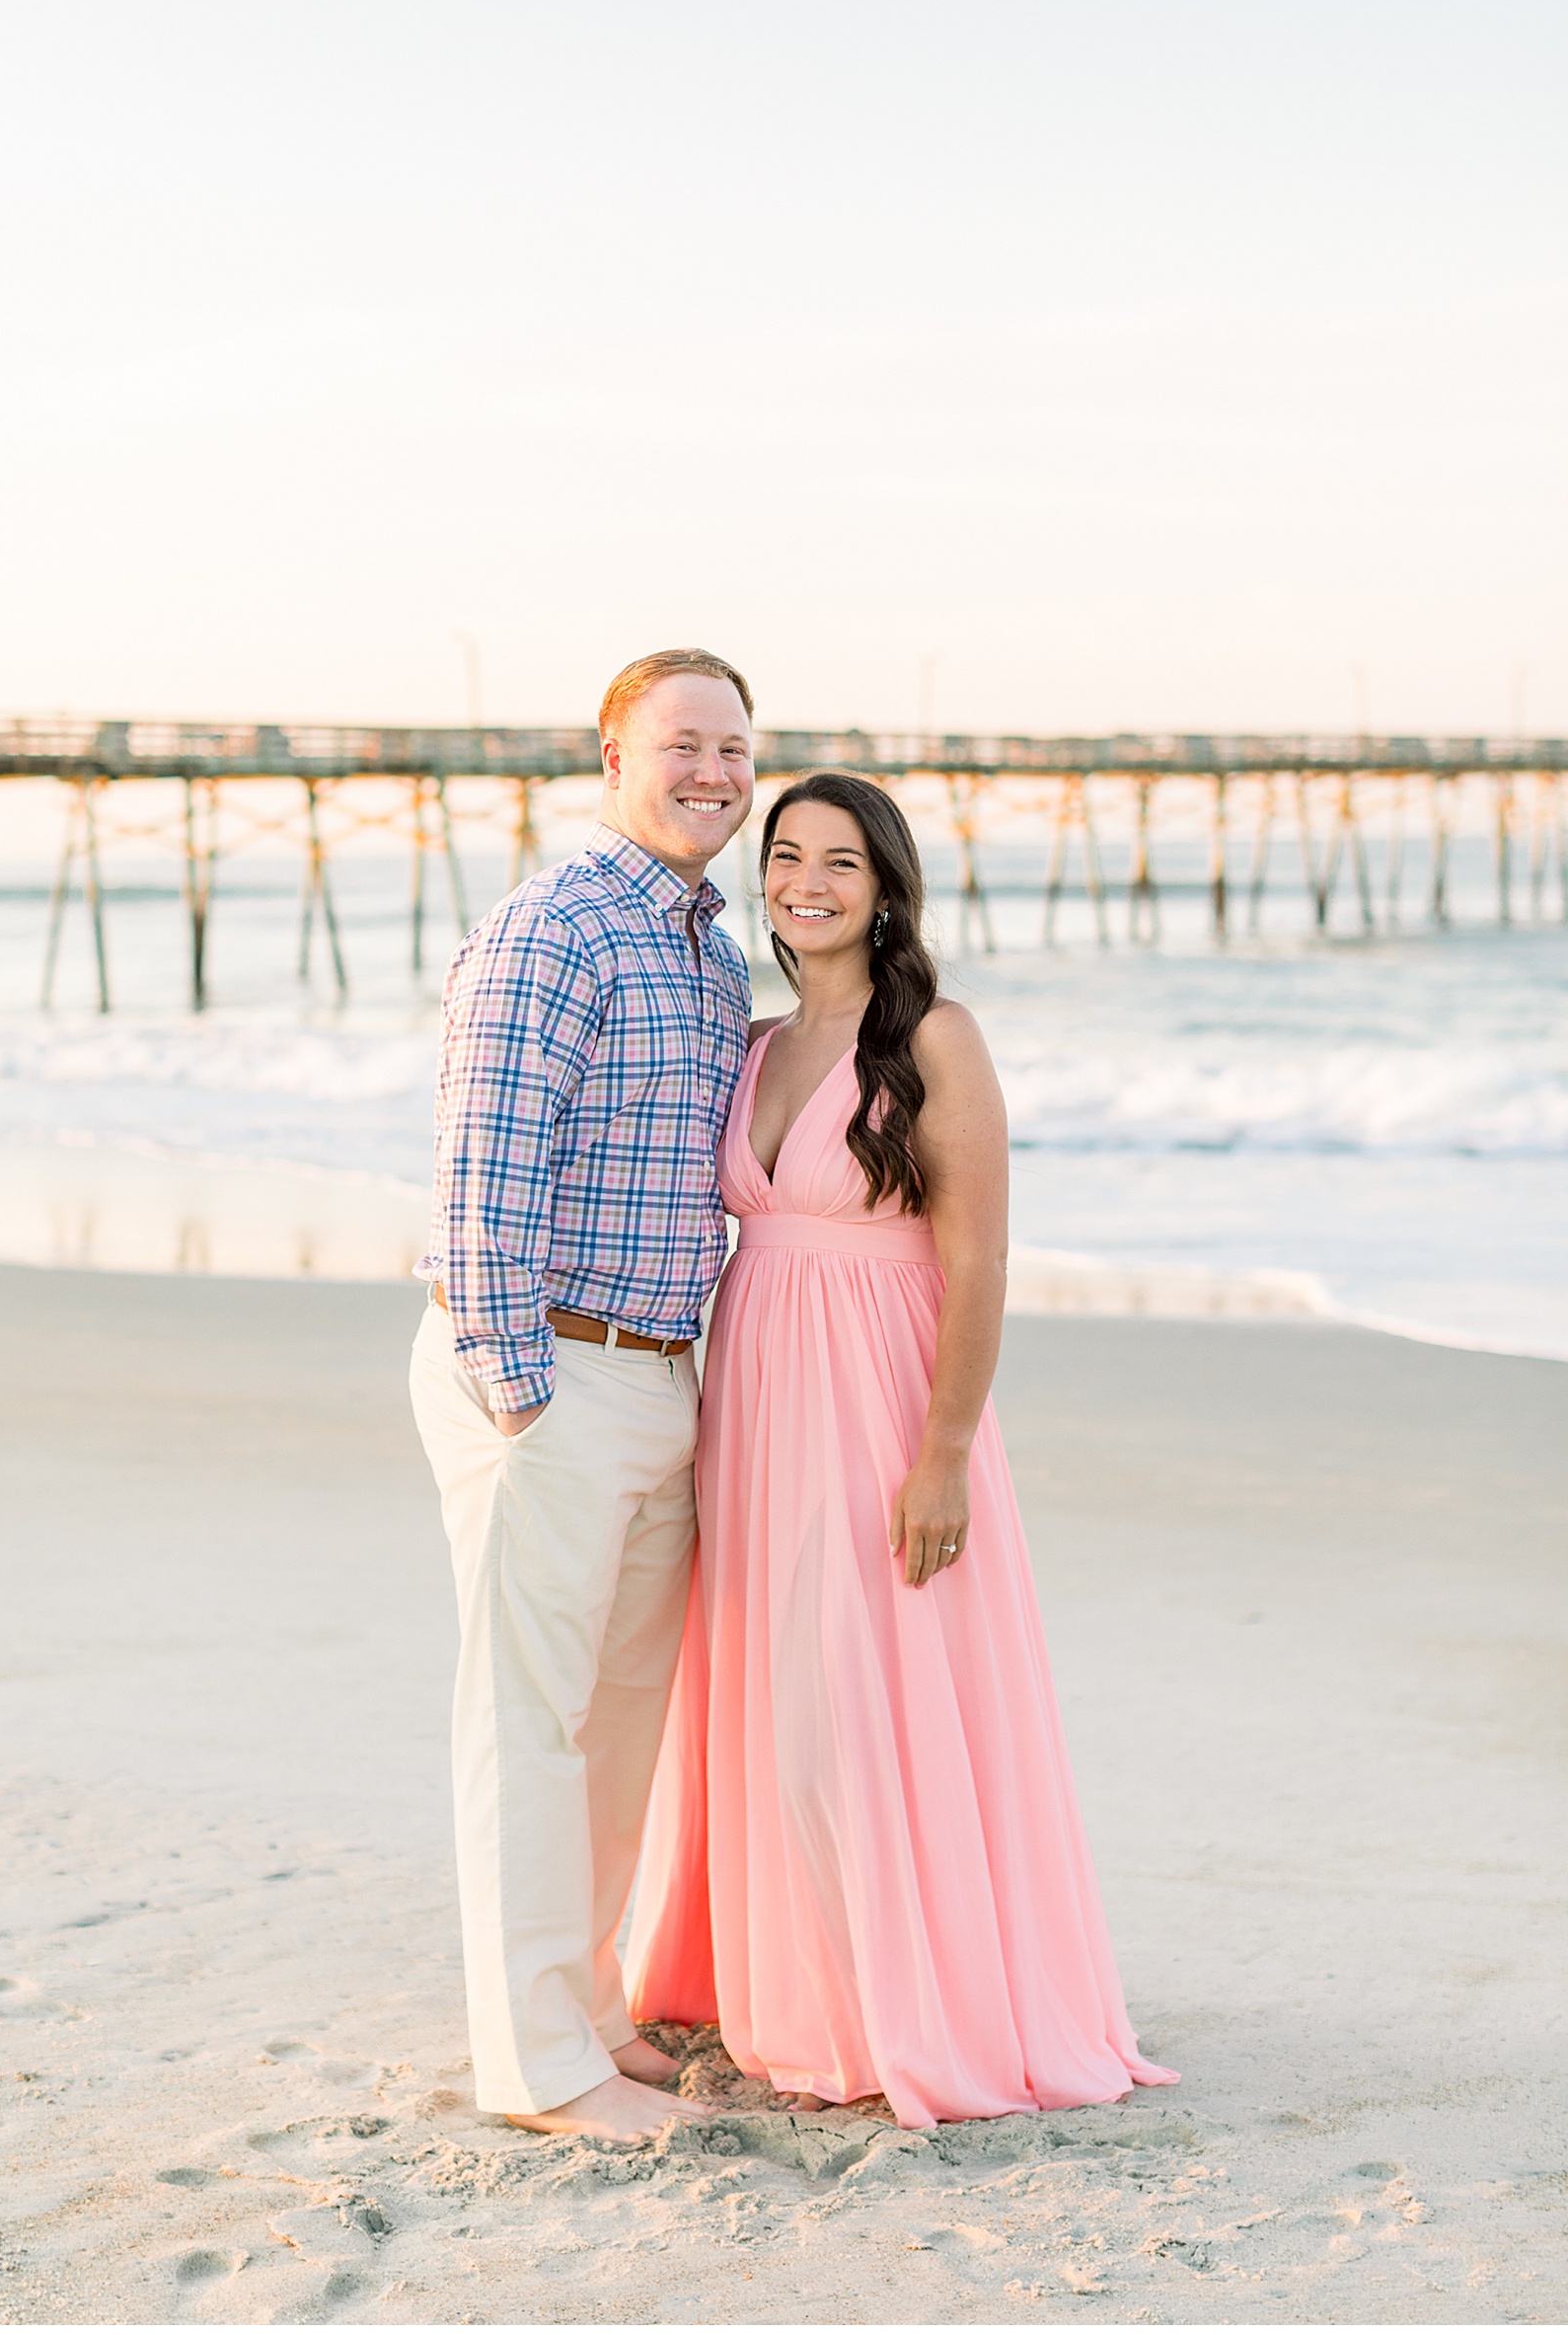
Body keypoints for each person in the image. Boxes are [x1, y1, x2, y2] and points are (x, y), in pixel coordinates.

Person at [626, 772, 1177, 2129]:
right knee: (769, 1694)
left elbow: (980, 1260)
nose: (806, 881)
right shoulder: (747, 1042)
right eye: (786, 856)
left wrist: (943, 1450)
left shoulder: (934, 1036)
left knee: (863, 1696)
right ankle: (786, 1980)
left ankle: (893, 2001)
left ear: (886, 888)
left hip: (880, 1398)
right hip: (754, 1396)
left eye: (840, 861)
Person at [409, 647, 756, 2142]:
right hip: (547, 1368)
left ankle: (590, 2012)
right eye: (684, 742)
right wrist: (518, 1391)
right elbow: (482, 1171)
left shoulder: (707, 950)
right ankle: (533, 2066)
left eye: (738, 750)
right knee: (526, 1719)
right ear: (611, 751)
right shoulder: (554, 926)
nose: (717, 774)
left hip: (659, 1375)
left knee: (618, 1726)